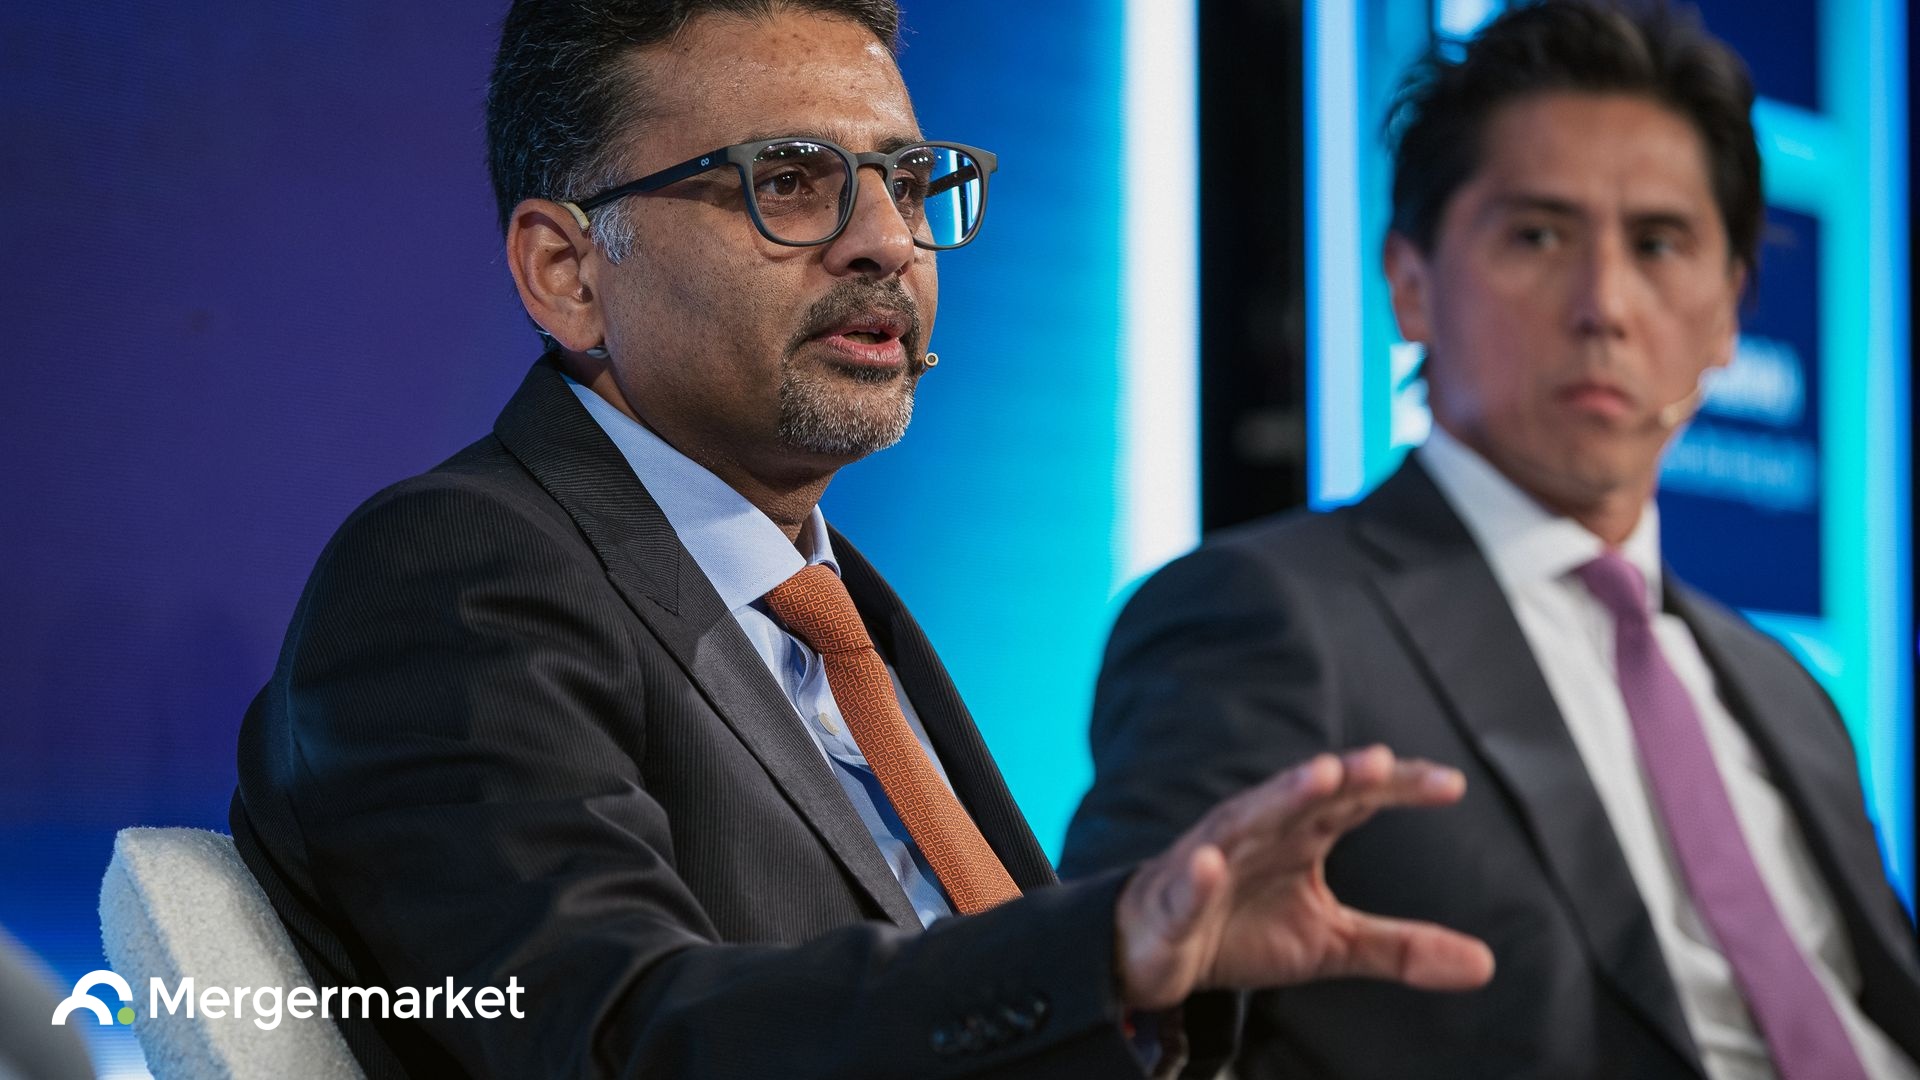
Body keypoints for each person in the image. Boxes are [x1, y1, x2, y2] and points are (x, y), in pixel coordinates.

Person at [229, 2, 1493, 1077]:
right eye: (788, 181)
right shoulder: (456, 574)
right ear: (567, 269)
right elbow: (618, 1039)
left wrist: (1161, 979)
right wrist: (1097, 948)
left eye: (907, 180)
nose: (889, 240)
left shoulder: (838, 611)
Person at [1061, 2, 1920, 1077]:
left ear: (1728, 313)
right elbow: (1120, 1006)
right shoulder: (1260, 619)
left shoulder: (1785, 689)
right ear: (1410, 283)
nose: (1605, 305)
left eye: (1660, 245)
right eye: (1538, 236)